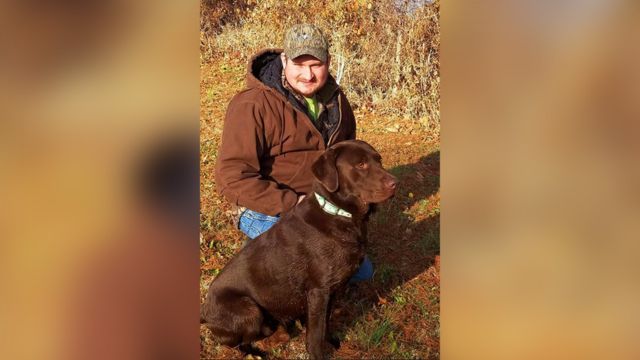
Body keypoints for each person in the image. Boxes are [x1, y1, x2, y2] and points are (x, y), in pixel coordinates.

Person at [215, 24, 373, 282]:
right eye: (299, 64)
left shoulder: (337, 99)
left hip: (320, 204)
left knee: (359, 272)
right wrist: (292, 203)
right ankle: (263, 255)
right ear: (284, 60)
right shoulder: (251, 104)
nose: (308, 75)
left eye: (316, 65)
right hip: (267, 207)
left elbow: (346, 156)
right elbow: (231, 177)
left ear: (328, 62)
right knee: (294, 274)